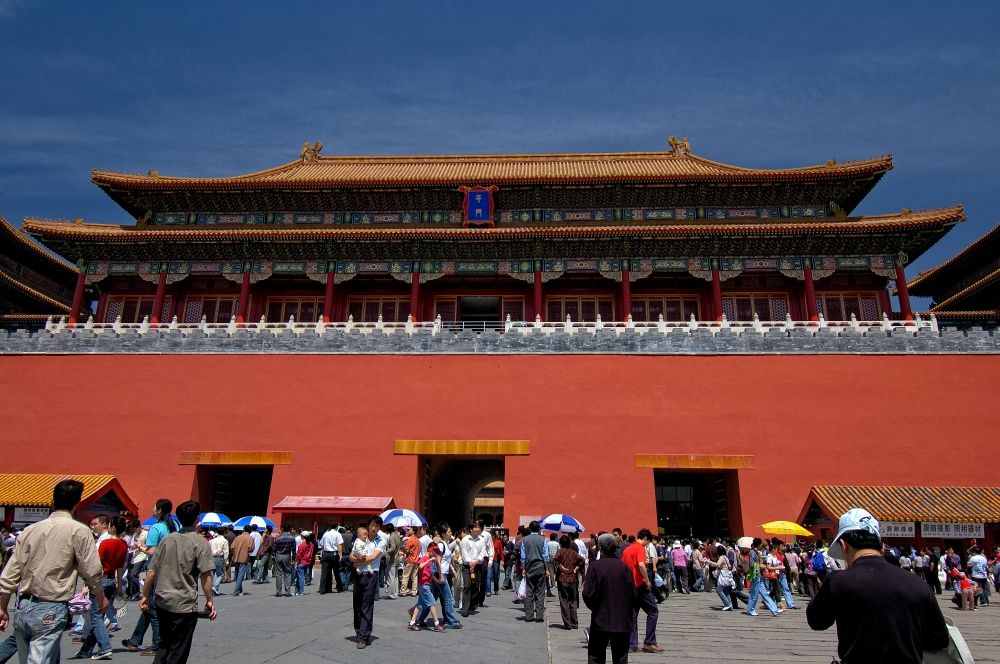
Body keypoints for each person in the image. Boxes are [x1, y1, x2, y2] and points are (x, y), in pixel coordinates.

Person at [807, 508, 948, 663]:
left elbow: (817, 621)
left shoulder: (838, 581)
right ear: (882, 548)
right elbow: (939, 638)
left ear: (844, 545)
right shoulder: (918, 584)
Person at [0, 479, 107, 664]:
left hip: (24, 604)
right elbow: (91, 570)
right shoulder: (79, 531)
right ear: (77, 503)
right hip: (51, 605)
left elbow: (10, 573)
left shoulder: (29, 530)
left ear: (53, 500)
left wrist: (2, 607)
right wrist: (100, 595)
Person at [139, 500, 216, 664]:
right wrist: (209, 600)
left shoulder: (167, 540)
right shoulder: (200, 542)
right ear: (197, 518)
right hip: (184, 603)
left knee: (164, 644)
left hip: (162, 601)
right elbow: (205, 575)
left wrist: (145, 595)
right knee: (178, 649)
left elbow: (151, 571)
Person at [123, 499, 176, 654]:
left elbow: (152, 552)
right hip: (169, 569)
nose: (152, 509)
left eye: (154, 507)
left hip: (156, 569)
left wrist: (140, 546)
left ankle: (157, 645)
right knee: (149, 608)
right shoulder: (172, 526)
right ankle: (135, 640)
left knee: (152, 608)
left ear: (159, 510)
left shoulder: (156, 527)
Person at [76, 515, 129, 658]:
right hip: (112, 581)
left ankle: (104, 647)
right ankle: (85, 650)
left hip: (101, 580)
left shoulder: (105, 543)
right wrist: (118, 585)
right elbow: (120, 566)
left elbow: (97, 565)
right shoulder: (123, 544)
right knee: (99, 615)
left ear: (112, 527)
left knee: (96, 617)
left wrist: (88, 584)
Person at [582, 534, 636, 664]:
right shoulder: (624, 567)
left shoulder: (595, 567)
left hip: (601, 619)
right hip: (622, 620)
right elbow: (634, 594)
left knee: (596, 656)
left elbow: (587, 593)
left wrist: (596, 607)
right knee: (621, 658)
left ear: (600, 548)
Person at [621, 530, 661, 653]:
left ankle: (631, 645)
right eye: (647, 541)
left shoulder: (627, 549)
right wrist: (647, 581)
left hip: (629, 586)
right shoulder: (640, 549)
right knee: (653, 611)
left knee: (633, 614)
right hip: (640, 585)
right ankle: (649, 641)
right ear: (645, 539)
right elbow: (641, 564)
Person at [350, 516, 386, 649]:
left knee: (366, 605)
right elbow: (351, 555)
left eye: (376, 526)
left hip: (371, 575)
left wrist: (356, 563)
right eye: (371, 525)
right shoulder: (360, 539)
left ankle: (364, 636)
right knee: (357, 604)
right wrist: (354, 561)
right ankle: (358, 630)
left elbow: (372, 558)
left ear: (379, 528)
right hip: (359, 575)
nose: (373, 528)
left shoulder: (380, 541)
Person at [406, 542, 445, 632]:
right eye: (434, 552)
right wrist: (429, 560)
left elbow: (431, 573)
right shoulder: (424, 558)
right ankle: (436, 623)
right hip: (423, 585)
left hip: (426, 585)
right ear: (430, 551)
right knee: (432, 603)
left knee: (420, 605)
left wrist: (438, 580)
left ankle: (412, 623)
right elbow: (420, 566)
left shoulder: (432, 561)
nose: (435, 554)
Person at [553, 535, 585, 629]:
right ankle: (574, 622)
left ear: (561, 543)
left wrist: (560, 566)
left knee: (564, 601)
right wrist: (576, 568)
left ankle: (567, 623)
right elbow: (582, 560)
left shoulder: (560, 552)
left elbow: (556, 558)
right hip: (573, 579)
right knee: (573, 601)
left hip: (563, 578)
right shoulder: (574, 553)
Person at [520, 521, 549, 622]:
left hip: (529, 567)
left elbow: (523, 557)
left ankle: (529, 616)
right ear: (538, 529)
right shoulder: (543, 540)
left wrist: (523, 569)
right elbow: (545, 556)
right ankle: (539, 616)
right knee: (540, 592)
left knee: (530, 591)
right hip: (540, 566)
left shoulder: (525, 540)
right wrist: (547, 569)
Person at [459, 522, 490, 617]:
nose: (478, 529)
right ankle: (465, 608)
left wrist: (475, 563)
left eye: (478, 527)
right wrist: (470, 564)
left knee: (475, 586)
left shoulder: (481, 540)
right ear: (471, 529)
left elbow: (482, 553)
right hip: (467, 567)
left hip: (477, 566)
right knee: (467, 586)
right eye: (475, 528)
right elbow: (464, 554)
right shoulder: (465, 540)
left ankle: (472, 606)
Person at [317, 525, 344, 595]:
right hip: (334, 553)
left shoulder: (325, 534)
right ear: (336, 527)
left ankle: (322, 589)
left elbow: (322, 544)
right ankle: (339, 587)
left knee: (325, 572)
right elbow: (339, 545)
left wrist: (323, 552)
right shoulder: (337, 534)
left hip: (326, 553)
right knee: (336, 571)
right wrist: (340, 554)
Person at [272, 524, 296, 597]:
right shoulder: (292, 538)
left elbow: (274, 549)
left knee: (278, 574)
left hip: (278, 555)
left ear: (282, 529)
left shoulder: (278, 538)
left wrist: (273, 558)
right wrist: (294, 558)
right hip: (287, 555)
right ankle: (287, 591)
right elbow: (294, 549)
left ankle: (278, 592)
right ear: (289, 529)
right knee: (287, 573)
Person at [230, 526, 253, 597]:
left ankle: (239, 589)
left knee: (237, 574)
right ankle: (236, 591)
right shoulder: (250, 538)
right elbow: (251, 548)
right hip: (244, 557)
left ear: (244, 530)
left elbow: (232, 547)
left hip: (236, 557)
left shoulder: (237, 537)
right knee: (241, 575)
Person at [401, 526, 421, 597]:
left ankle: (403, 591)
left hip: (409, 560)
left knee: (406, 576)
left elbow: (406, 551)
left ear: (413, 531)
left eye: (410, 530)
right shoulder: (418, 541)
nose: (409, 531)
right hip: (416, 560)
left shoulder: (409, 540)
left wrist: (408, 551)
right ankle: (414, 591)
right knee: (415, 576)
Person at [208, 531, 228, 596]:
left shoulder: (211, 541)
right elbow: (226, 552)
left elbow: (208, 550)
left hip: (211, 557)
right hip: (219, 558)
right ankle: (215, 587)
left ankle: (209, 589)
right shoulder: (224, 541)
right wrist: (226, 561)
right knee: (220, 574)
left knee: (211, 574)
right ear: (224, 532)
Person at [383, 524, 400, 599]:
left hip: (392, 558)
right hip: (397, 557)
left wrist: (386, 552)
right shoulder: (397, 535)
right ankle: (395, 592)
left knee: (391, 576)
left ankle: (391, 592)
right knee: (396, 576)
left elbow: (392, 547)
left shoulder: (392, 537)